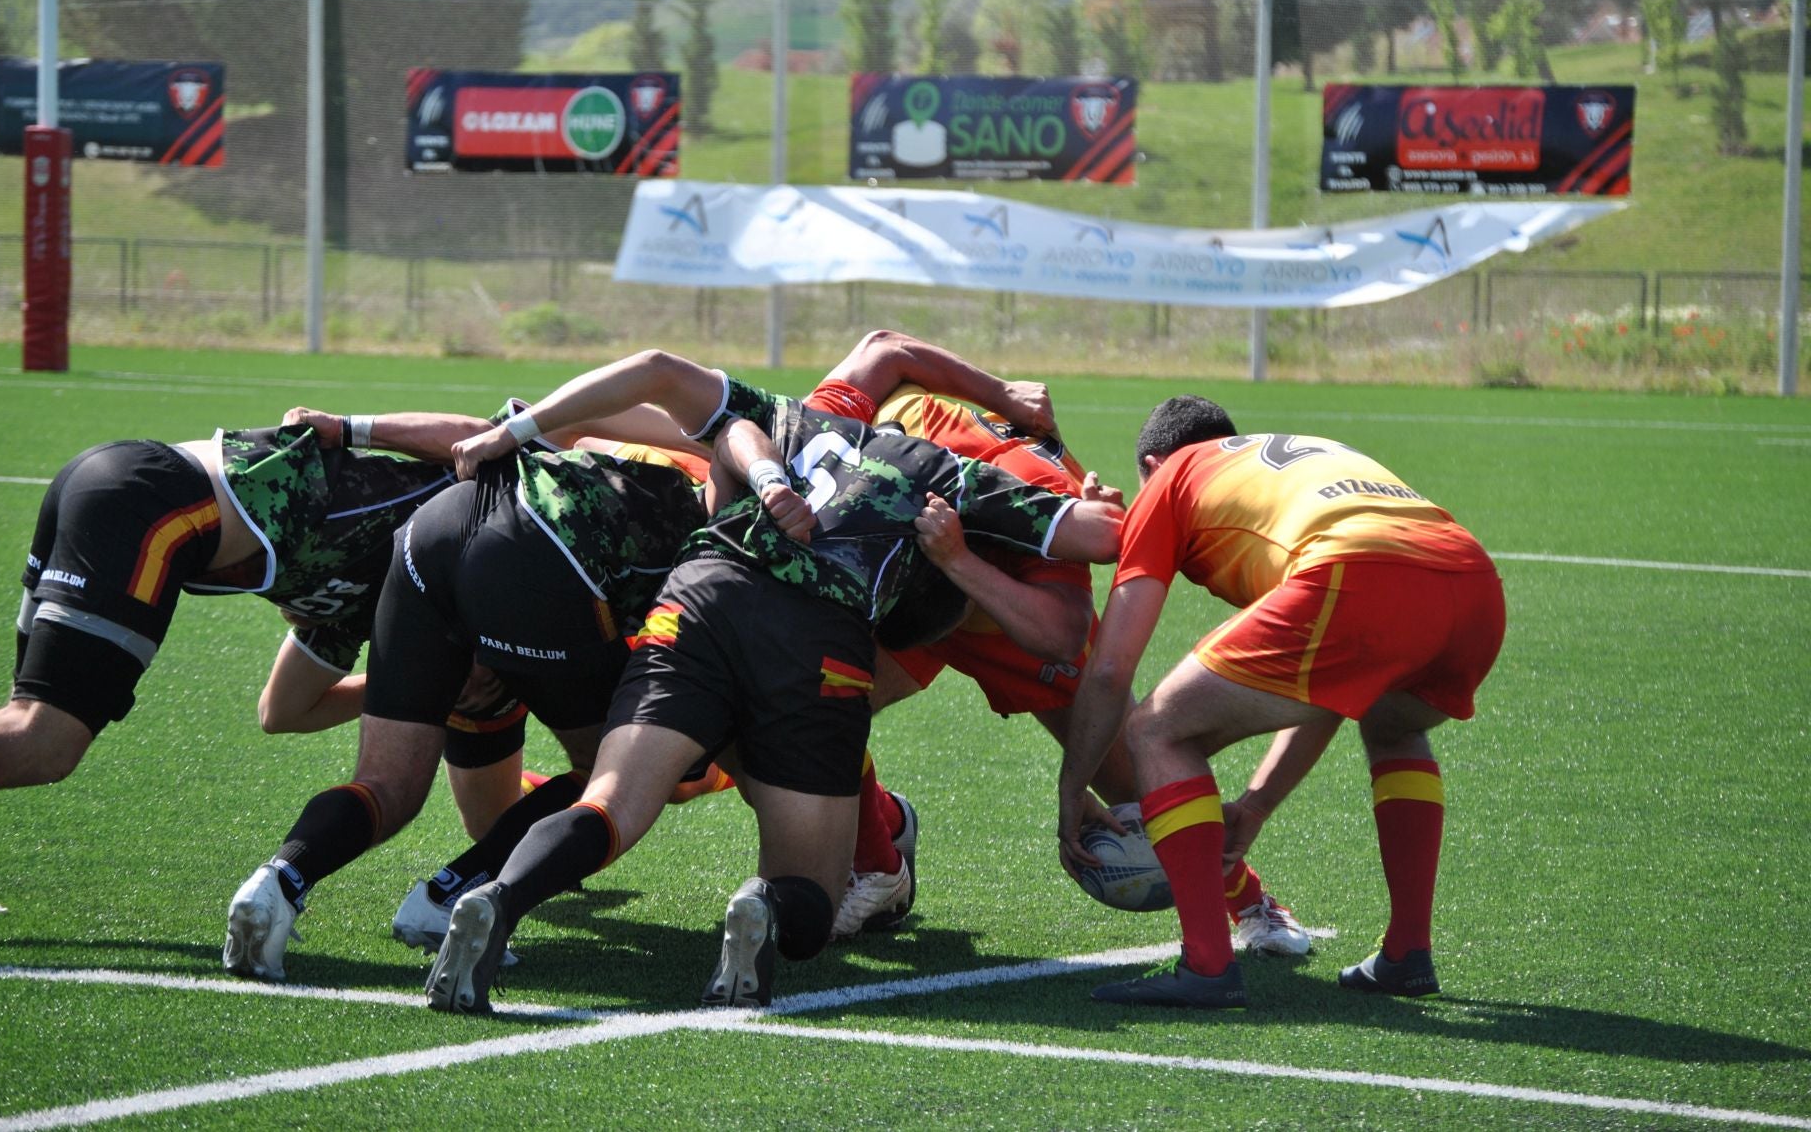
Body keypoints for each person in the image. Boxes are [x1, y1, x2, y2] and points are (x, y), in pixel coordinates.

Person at [422, 352, 1123, 1014]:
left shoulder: (799, 417)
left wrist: (515, 429)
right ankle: (764, 902)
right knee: (813, 895)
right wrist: (1098, 498)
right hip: (816, 643)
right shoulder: (952, 478)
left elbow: (662, 372)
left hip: (696, 598)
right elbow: (1102, 537)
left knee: (611, 801)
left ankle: (503, 898)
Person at [221, 384, 795, 982]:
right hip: (537, 560)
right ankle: (447, 898)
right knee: (621, 772)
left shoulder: (672, 438)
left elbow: (512, 424)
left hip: (433, 531)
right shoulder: (745, 523)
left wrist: (352, 425)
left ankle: (278, 881)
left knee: (387, 784)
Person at [805, 334, 1311, 955]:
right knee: (815, 702)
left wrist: (966, 557)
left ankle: (1251, 902)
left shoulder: (1032, 489)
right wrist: (1000, 392)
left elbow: (1061, 634)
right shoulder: (838, 426)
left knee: (1137, 779)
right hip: (905, 587)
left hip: (1003, 599)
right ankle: (881, 854)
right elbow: (883, 346)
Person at [1058, 396, 1505, 1009]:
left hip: (1358, 568)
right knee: (1395, 725)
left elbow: (1110, 670)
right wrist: (1257, 804)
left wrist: (1071, 789)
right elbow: (1330, 686)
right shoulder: (1282, 461)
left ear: (1152, 463)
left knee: (1158, 731)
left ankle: (1207, 965)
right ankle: (1407, 953)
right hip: (1473, 581)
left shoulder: (1173, 478)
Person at [0, 409, 484, 848]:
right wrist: (353, 427)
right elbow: (487, 435)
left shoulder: (368, 603)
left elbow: (283, 712)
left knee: (32, 736)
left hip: (121, 483)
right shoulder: (477, 506)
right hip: (158, 503)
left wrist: (421, 679)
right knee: (40, 737)